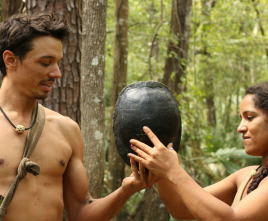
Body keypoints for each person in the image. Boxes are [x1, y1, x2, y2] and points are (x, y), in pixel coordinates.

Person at [0, 13, 155, 221]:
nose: (57, 73)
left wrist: (127, 189)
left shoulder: (66, 130)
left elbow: (82, 213)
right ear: (10, 60)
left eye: (58, 62)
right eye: (46, 63)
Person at [128, 80, 268, 220]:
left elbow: (232, 219)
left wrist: (173, 170)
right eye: (241, 119)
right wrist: (161, 170)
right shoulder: (245, 175)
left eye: (250, 117)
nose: (240, 128)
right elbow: (182, 208)